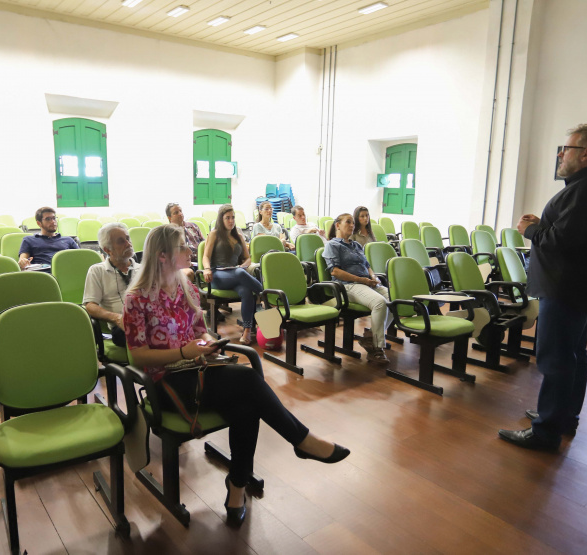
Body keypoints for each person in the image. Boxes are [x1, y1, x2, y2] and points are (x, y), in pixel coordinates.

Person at [122, 224, 350, 527]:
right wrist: (183, 353)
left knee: (247, 406)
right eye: (183, 246)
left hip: (199, 371)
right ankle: (301, 441)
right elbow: (137, 356)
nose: (191, 250)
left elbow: (200, 331)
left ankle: (237, 488)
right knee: (246, 380)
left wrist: (207, 344)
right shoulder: (137, 298)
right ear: (162, 255)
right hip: (166, 384)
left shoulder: (186, 288)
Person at [499, 123, 587, 451]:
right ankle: (563, 416)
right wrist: (542, 225)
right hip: (577, 285)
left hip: (564, 286)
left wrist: (531, 230)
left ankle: (545, 431)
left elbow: (563, 241)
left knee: (554, 359)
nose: (561, 154)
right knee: (573, 354)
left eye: (566, 148)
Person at [322, 213, 392, 365]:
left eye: (353, 223)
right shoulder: (332, 245)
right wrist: (362, 280)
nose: (352, 225)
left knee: (395, 300)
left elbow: (367, 266)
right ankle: (377, 348)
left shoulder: (356, 245)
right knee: (380, 302)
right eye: (348, 222)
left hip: (366, 282)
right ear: (337, 225)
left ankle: (371, 337)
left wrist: (374, 278)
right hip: (347, 286)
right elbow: (335, 271)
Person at [201, 204, 263, 345]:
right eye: (227, 218)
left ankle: (247, 331)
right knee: (241, 274)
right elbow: (206, 256)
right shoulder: (215, 234)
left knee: (246, 291)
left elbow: (248, 258)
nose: (231, 221)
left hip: (235, 274)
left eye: (233, 217)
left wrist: (243, 266)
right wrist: (206, 269)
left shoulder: (239, 235)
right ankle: (264, 293)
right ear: (221, 219)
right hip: (217, 275)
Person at [83, 222, 140, 347]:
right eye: (121, 241)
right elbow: (90, 306)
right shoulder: (97, 271)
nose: (128, 244)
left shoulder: (143, 269)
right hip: (122, 327)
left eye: (128, 238)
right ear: (107, 249)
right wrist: (117, 318)